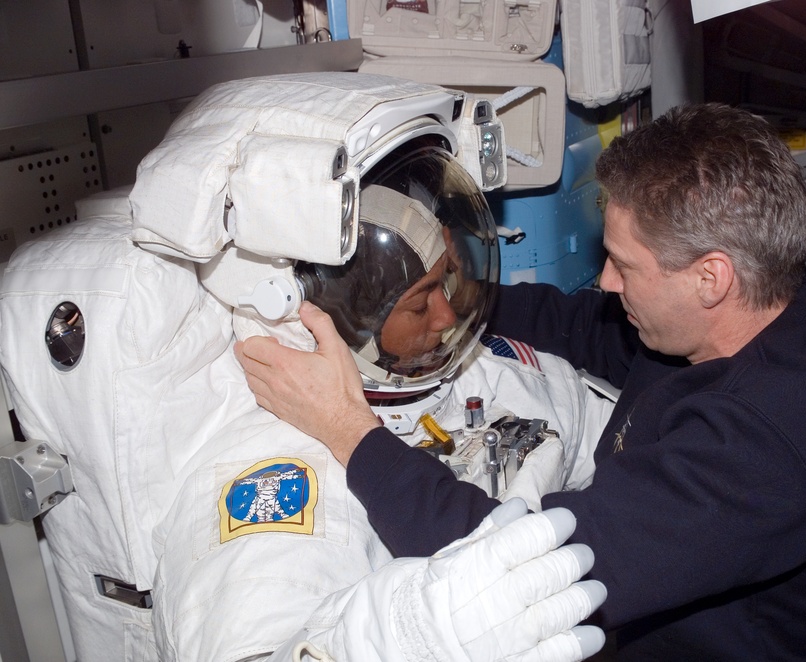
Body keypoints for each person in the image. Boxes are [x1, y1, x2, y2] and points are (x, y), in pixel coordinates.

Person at [237, 102, 806, 660]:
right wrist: (462, 305)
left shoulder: (761, 452)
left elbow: (518, 576)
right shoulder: (790, 297)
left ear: (711, 277)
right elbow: (601, 329)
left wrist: (349, 431)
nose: (607, 280)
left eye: (622, 264)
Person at [0, 72, 614, 662]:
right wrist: (403, 638)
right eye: (421, 301)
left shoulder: (485, 372)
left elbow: (609, 435)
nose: (448, 317)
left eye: (446, 282)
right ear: (330, 318)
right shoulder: (275, 481)